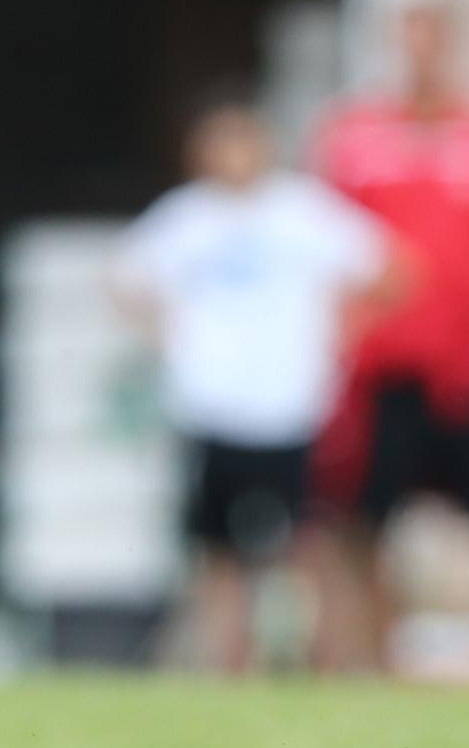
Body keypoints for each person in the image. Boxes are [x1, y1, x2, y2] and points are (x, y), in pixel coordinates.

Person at [116, 99, 392, 673]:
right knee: (219, 553)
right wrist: (167, 340)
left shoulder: (302, 213)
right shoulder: (186, 218)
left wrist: (339, 338)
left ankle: (324, 663)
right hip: (213, 411)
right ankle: (229, 665)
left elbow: (388, 270)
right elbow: (126, 280)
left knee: (307, 546)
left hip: (289, 410)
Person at [311, 0, 469, 670]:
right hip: (383, 370)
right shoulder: (353, 140)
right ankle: (371, 665)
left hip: (468, 368)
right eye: (409, 40)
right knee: (360, 525)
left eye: (434, 39)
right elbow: (327, 254)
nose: (422, 54)